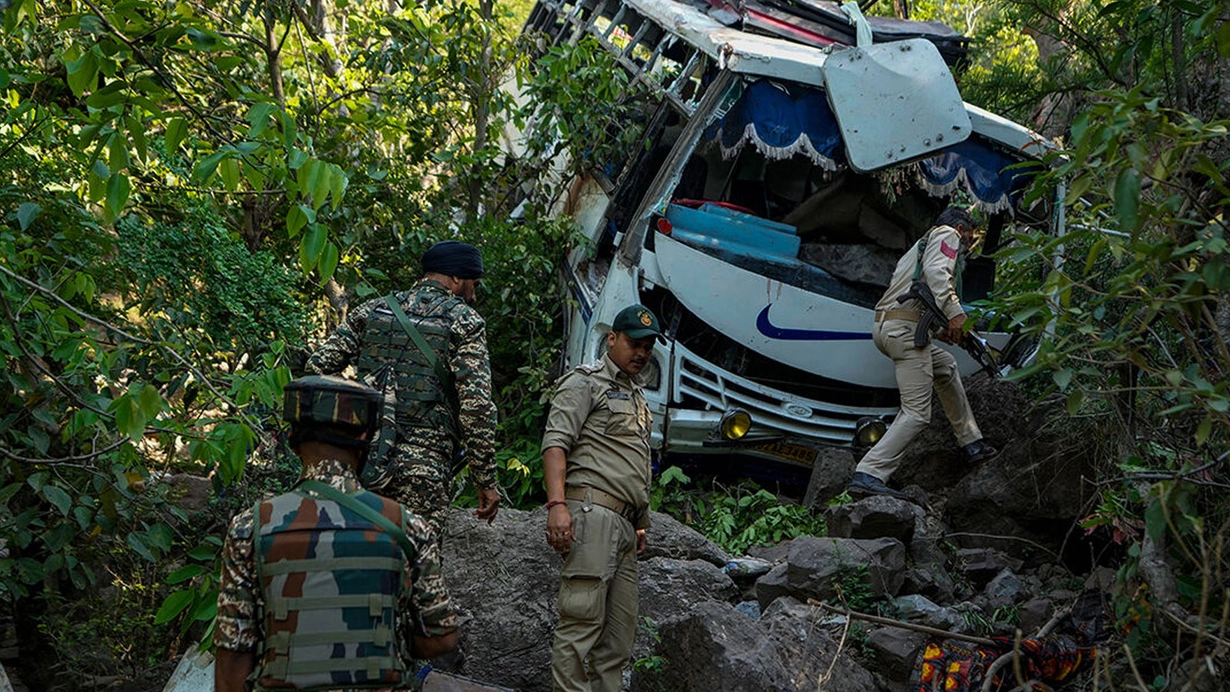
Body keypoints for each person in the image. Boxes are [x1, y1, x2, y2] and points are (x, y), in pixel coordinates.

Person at [214, 375, 458, 692]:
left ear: (292, 439)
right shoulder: (407, 527)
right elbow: (442, 638)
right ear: (366, 439)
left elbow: (232, 660)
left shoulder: (251, 528)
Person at [307, 240, 499, 532]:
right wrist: (485, 480)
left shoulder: (372, 310)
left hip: (363, 461)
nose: (473, 295)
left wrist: (354, 418)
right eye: (474, 284)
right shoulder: (465, 321)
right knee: (416, 565)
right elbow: (477, 407)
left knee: (360, 556)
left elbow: (317, 368)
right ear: (457, 279)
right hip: (423, 468)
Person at [541, 304, 660, 692]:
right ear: (612, 339)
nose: (640, 353)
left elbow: (631, 463)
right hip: (591, 513)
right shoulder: (585, 382)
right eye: (633, 343)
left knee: (617, 643)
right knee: (580, 628)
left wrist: (639, 522)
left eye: (648, 346)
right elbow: (556, 443)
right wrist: (558, 506)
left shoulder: (638, 396)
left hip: (625, 526)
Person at [848, 206, 999, 499]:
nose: (967, 246)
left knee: (946, 367)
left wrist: (942, 331)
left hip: (889, 326)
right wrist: (957, 316)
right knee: (917, 413)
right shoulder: (947, 235)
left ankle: (971, 442)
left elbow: (918, 293)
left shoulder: (920, 246)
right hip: (904, 333)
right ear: (960, 228)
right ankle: (869, 472)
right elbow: (937, 276)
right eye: (969, 239)